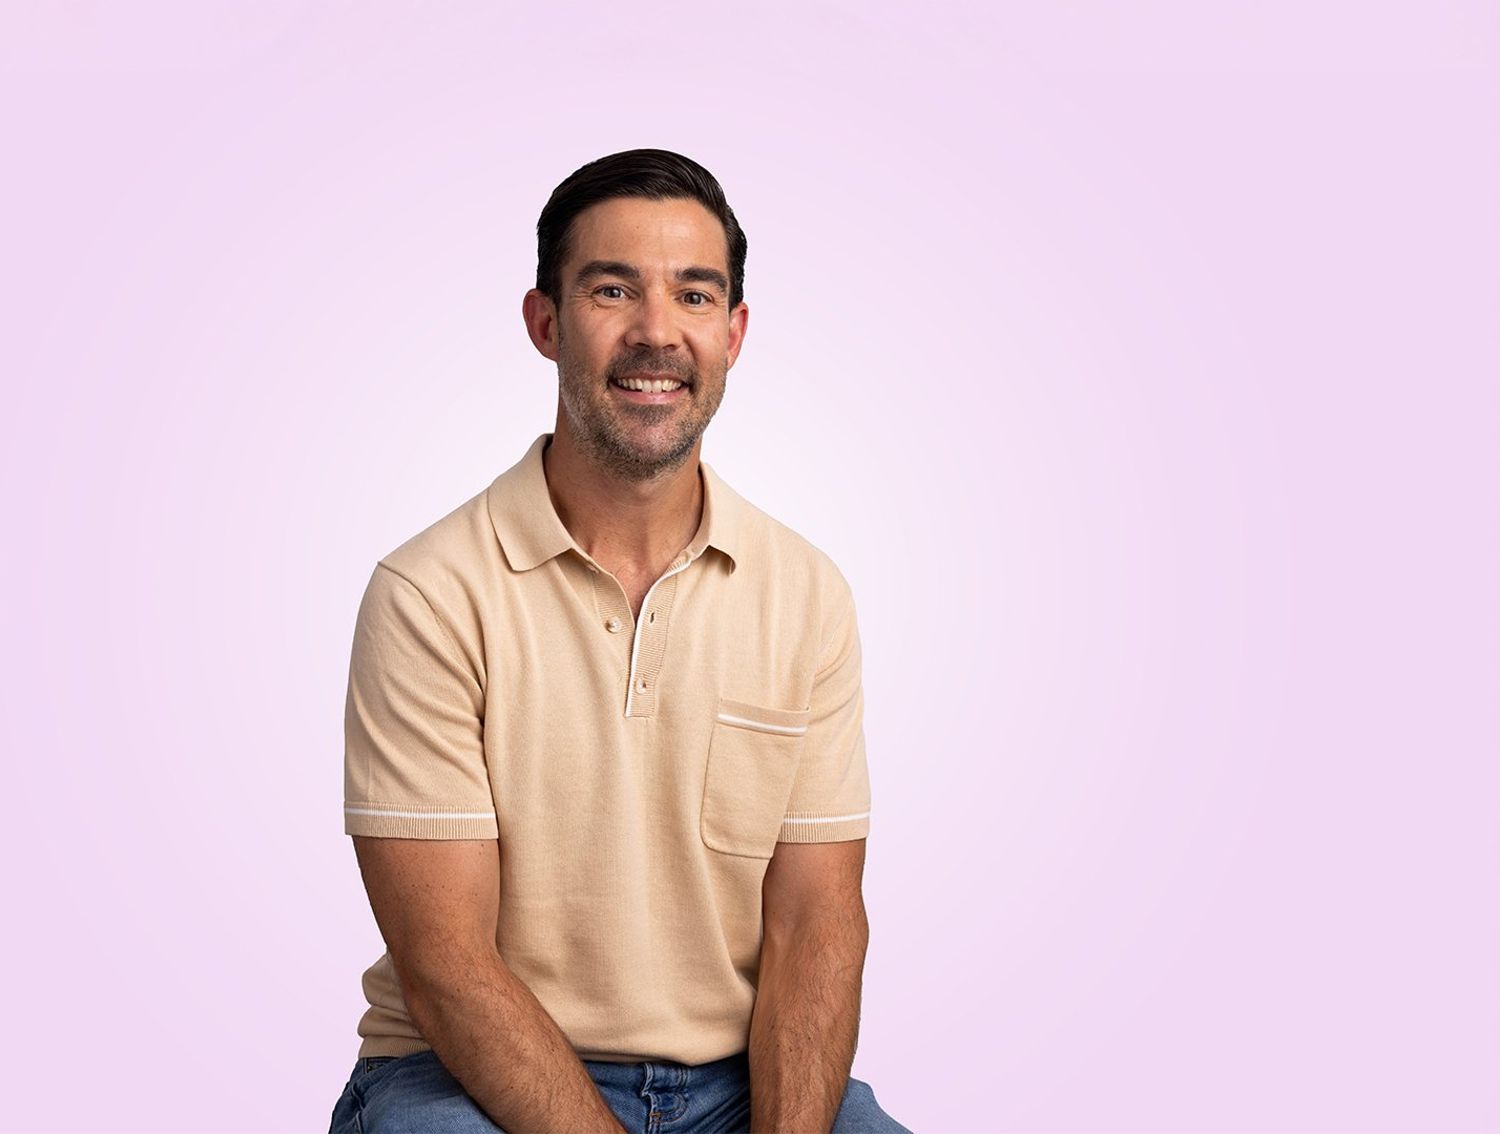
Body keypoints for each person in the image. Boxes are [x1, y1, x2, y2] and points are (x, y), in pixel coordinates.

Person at [328, 148, 910, 1134]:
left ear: (733, 334)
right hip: (461, 1081)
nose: (657, 333)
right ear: (545, 323)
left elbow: (817, 926)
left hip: (735, 1085)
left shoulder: (805, 593)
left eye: (693, 295)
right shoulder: (428, 594)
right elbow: (447, 968)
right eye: (612, 289)